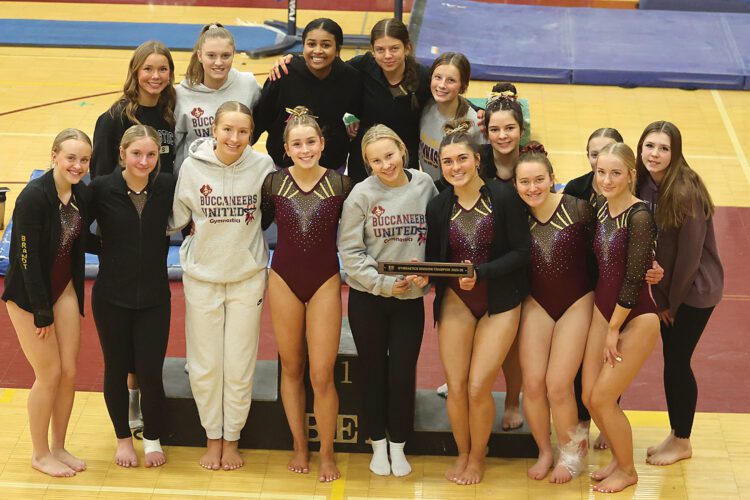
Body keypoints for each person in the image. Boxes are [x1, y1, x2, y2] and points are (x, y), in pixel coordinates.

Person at [170, 101, 274, 471]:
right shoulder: (192, 167)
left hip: (247, 277)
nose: (234, 137)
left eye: (243, 131)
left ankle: (232, 439)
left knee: (240, 364)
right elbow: (177, 218)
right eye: (227, 129)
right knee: (205, 365)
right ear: (213, 130)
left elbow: (268, 214)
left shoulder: (263, 167)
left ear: (251, 134)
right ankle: (212, 436)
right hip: (202, 277)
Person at [426, 119, 531, 485]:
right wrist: (423, 276)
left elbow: (522, 252)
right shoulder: (438, 206)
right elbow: (435, 260)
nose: (455, 167)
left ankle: (477, 457)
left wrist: (482, 273)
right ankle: (463, 453)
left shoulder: (504, 197)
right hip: (457, 300)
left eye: (462, 159)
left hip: (499, 301)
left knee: (477, 386)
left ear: (477, 160)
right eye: (448, 161)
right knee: (456, 386)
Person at [338, 124, 437, 477]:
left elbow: (437, 237)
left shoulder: (424, 185)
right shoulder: (361, 195)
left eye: (390, 155)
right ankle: (377, 443)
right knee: (373, 372)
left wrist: (429, 274)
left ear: (402, 149)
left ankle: (399, 444)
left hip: (409, 300)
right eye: (376, 161)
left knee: (402, 375)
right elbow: (351, 253)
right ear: (368, 164)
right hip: (369, 300)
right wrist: (382, 284)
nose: (386, 165)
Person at [260, 107, 352, 482]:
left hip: (325, 279)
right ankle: (300, 446)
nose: (305, 149)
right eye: (297, 144)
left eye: (310, 142)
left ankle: (327, 452)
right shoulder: (273, 184)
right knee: (292, 367)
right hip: (283, 278)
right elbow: (256, 222)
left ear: (322, 144)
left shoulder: (341, 185)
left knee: (321, 373)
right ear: (286, 149)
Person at [2, 129, 90, 477]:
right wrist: (41, 311)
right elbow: (25, 259)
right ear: (54, 156)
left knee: (69, 372)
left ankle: (59, 446)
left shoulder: (80, 194)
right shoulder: (33, 197)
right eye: (70, 158)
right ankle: (39, 454)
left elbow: (79, 241)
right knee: (49, 373)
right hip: (29, 296)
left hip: (63, 288)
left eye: (84, 160)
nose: (77, 166)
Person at [636, 121, 723, 466]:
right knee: (672, 360)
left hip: (695, 290)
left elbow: (689, 258)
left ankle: (682, 440)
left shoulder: (685, 190)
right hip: (669, 287)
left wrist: (669, 304)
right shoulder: (644, 183)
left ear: (675, 153)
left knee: (677, 361)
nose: (655, 154)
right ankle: (675, 434)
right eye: (649, 146)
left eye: (663, 148)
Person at [88, 125, 176, 469]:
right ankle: (123, 438)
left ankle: (152, 438)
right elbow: (79, 230)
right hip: (111, 297)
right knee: (116, 369)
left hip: (155, 297)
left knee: (151, 372)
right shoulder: (101, 188)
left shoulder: (166, 185)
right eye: (136, 153)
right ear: (122, 153)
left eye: (151, 154)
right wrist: (109, 250)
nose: (144, 161)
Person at [581, 142, 659, 493]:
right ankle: (617, 456)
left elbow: (632, 278)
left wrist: (613, 328)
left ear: (631, 174)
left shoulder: (640, 216)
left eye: (615, 173)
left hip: (636, 317)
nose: (607, 180)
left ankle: (627, 470)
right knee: (589, 396)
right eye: (601, 172)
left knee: (602, 398)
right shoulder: (600, 206)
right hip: (604, 310)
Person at [513, 143, 594, 483]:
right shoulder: (515, 217)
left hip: (577, 301)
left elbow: (608, 248)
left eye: (539, 180)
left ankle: (570, 452)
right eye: (524, 182)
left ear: (552, 178)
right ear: (515, 185)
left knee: (558, 384)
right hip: (537, 302)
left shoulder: (579, 208)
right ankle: (545, 450)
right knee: (532, 383)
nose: (532, 188)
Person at [271, 18, 432, 183]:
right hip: (363, 165)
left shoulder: (424, 78)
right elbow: (326, 66)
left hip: (403, 164)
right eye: (380, 49)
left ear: (407, 48)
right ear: (372, 50)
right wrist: (293, 61)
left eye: (394, 48)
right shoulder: (362, 66)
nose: (387, 55)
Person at [564, 127, 624, 450]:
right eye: (594, 154)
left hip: (615, 287)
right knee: (582, 356)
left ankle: (608, 414)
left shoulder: (629, 194)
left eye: (608, 151)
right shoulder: (576, 188)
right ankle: (583, 419)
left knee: (612, 355)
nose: (600, 159)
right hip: (584, 283)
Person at [253, 18, 362, 172]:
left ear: (337, 49)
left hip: (331, 167)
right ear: (303, 46)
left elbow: (358, 111)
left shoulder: (350, 78)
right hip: (283, 166)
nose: (317, 51)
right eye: (311, 44)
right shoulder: (283, 73)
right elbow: (261, 117)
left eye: (326, 45)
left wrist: (353, 121)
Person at [174, 23, 262, 172]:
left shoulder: (249, 84)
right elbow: (174, 143)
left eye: (226, 55)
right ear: (200, 56)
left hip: (237, 174)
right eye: (211, 55)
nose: (219, 62)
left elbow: (270, 114)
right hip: (196, 176)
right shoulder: (182, 94)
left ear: (233, 54)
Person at [92, 40, 176, 177]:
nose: (156, 76)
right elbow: (100, 175)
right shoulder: (114, 118)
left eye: (163, 69)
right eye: (148, 69)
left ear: (170, 73)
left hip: (164, 191)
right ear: (135, 71)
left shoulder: (171, 112)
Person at [418, 52, 483, 181]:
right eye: (438, 77)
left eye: (451, 80)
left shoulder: (475, 124)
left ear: (462, 86)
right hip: (430, 188)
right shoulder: (425, 108)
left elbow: (483, 169)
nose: (442, 85)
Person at [565, 128, 625, 205]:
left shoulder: (636, 190)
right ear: (588, 156)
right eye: (594, 155)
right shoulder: (574, 189)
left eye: (607, 153)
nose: (600, 161)